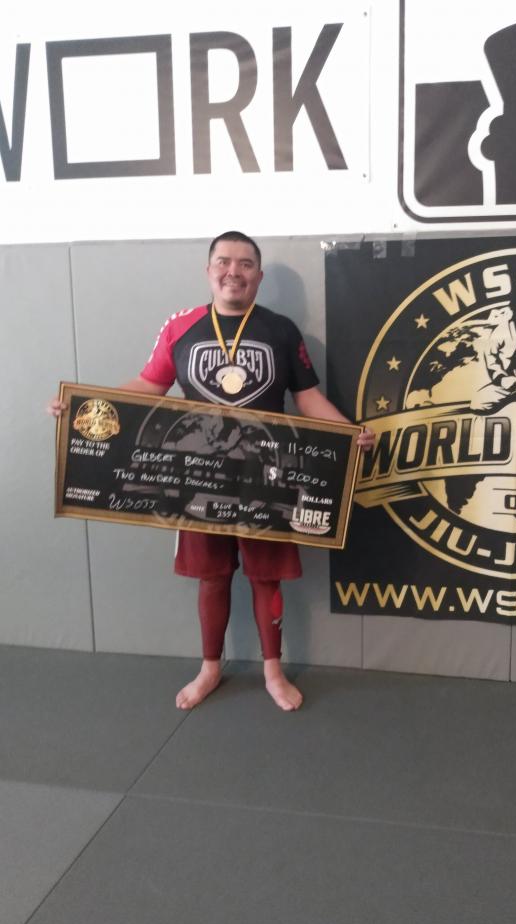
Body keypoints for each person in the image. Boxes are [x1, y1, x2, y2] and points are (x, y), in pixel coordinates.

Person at [49, 231, 374, 712]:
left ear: (257, 276)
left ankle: (273, 671)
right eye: (223, 262)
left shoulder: (282, 330)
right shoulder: (180, 326)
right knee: (212, 577)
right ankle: (210, 668)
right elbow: (148, 387)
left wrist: (350, 432)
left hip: (265, 476)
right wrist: (82, 408)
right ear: (208, 271)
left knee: (266, 578)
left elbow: (307, 399)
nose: (233, 272)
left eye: (245, 264)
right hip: (195, 477)